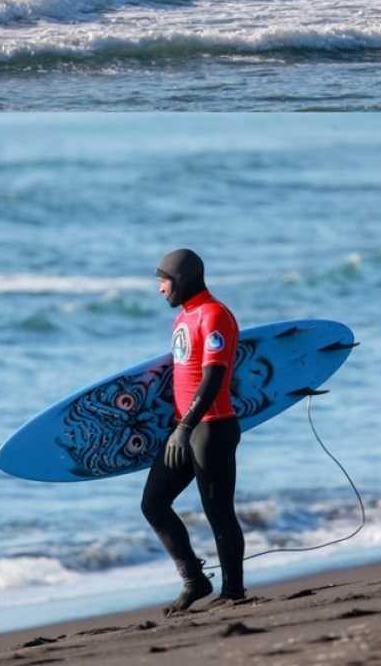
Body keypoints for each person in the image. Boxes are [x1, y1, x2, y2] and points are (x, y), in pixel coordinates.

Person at [141, 248, 246, 615]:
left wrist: (185, 427)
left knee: (218, 510)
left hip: (211, 428)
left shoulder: (214, 314)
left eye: (163, 282)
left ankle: (234, 592)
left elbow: (215, 378)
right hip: (185, 429)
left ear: (182, 280)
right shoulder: (185, 317)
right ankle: (195, 580)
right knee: (153, 503)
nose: (160, 290)